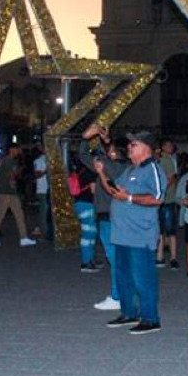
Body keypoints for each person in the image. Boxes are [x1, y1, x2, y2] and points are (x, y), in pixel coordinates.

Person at [93, 131, 166, 334]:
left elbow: (158, 198)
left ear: (146, 148)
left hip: (140, 235)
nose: (130, 147)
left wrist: (131, 198)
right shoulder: (129, 170)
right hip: (121, 235)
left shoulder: (152, 169)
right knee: (123, 276)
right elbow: (115, 192)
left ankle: (151, 319)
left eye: (134, 144)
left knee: (143, 278)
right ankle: (129, 313)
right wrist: (101, 173)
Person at [79, 125, 126, 310]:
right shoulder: (128, 167)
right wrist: (106, 140)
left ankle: (116, 296)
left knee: (113, 257)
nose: (109, 151)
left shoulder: (108, 166)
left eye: (111, 150)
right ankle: (124, 293)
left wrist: (85, 138)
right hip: (122, 216)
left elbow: (83, 156)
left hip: (108, 216)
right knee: (120, 257)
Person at [0, 144, 37, 248]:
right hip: (6, 191)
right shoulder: (8, 160)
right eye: (17, 149)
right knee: (1, 214)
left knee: (19, 214)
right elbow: (13, 175)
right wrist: (18, 171)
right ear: (11, 149)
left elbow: (11, 173)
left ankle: (23, 238)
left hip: (10, 191)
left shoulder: (10, 160)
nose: (19, 151)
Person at [155, 139, 179, 269]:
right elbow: (170, 178)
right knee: (168, 230)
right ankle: (171, 258)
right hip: (166, 198)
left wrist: (160, 192)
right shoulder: (166, 159)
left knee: (163, 229)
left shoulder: (165, 158)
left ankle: (161, 257)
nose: (171, 147)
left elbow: (171, 178)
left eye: (171, 145)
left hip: (165, 198)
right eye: (168, 145)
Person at [32, 146, 52, 242]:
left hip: (48, 189)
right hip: (42, 190)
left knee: (46, 213)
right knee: (44, 213)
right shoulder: (39, 160)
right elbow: (36, 175)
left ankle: (42, 230)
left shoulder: (50, 159)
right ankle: (43, 234)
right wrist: (46, 171)